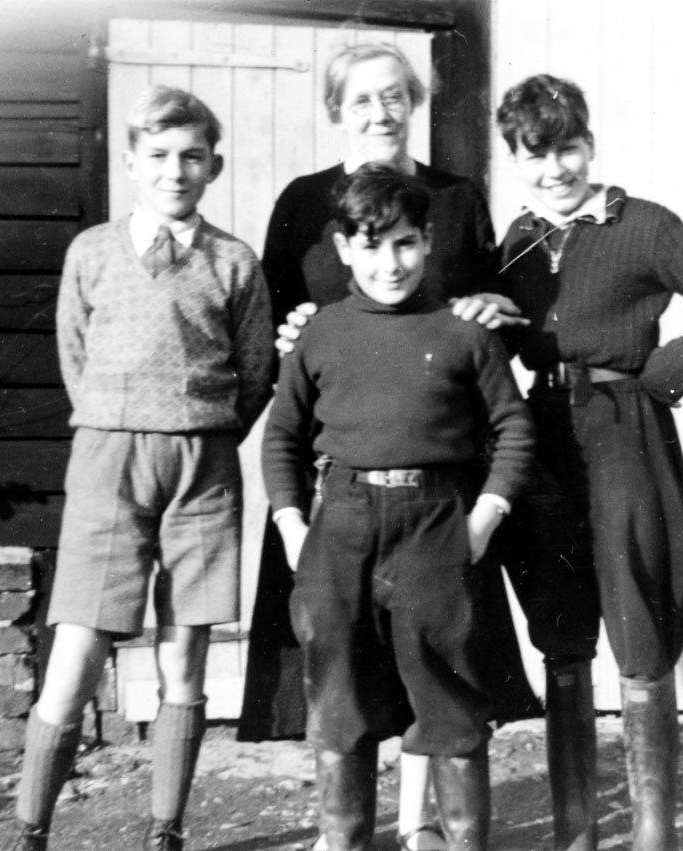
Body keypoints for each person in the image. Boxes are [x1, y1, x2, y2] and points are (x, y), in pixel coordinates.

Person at [239, 42, 535, 851]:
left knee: (441, 669)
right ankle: (349, 834)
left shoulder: (457, 198)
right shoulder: (304, 204)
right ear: (337, 110)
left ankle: (425, 825)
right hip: (343, 488)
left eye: (394, 94)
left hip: (438, 482)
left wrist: (489, 307)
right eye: (361, 98)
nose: (380, 111)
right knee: (346, 677)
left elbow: (490, 318)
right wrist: (294, 336)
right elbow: (275, 329)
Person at [489, 74, 683, 850]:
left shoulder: (643, 224)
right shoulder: (516, 241)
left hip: (624, 432)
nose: (555, 168)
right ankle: (575, 832)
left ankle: (654, 835)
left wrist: (664, 374)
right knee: (561, 632)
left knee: (639, 617)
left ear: (590, 145)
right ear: (515, 159)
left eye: (568, 148)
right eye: (535, 154)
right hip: (544, 439)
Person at [5, 85, 274, 851]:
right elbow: (75, 356)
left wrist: (198, 423)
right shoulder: (91, 252)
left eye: (191, 156)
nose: (174, 171)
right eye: (157, 155)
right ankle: (31, 827)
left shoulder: (234, 261)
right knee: (79, 646)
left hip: (202, 464)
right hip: (110, 457)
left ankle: (166, 828)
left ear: (214, 165)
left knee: (184, 650)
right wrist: (119, 416)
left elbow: (256, 371)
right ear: (130, 161)